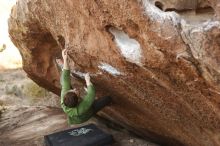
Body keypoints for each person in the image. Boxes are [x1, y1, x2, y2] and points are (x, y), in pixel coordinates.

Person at [60, 49, 111, 124]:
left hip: (75, 108)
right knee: (107, 99)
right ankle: (108, 103)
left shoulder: (64, 95)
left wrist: (65, 59)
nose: (75, 89)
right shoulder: (81, 108)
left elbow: (65, 78)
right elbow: (91, 94)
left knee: (66, 84)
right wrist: (87, 81)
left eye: (72, 90)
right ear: (78, 101)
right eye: (76, 92)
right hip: (84, 116)